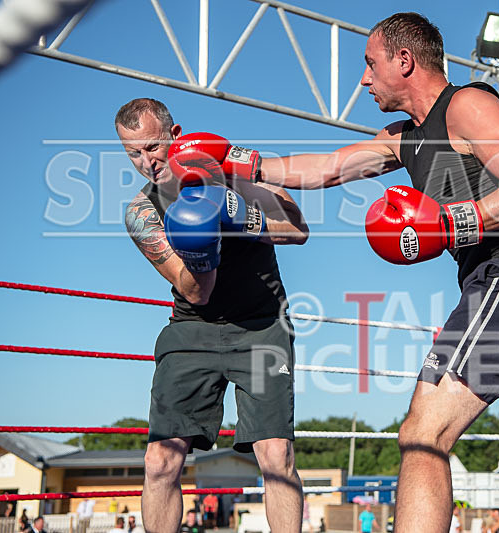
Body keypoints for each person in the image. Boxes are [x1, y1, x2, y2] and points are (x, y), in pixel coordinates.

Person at [244, 12, 499, 533]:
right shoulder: (405, 138)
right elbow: (329, 168)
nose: (363, 79)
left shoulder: (467, 104)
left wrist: (449, 221)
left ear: (405, 61)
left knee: (424, 433)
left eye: (370, 65)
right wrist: (240, 161)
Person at [115, 98, 309, 533]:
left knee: (276, 456)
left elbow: (298, 229)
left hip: (261, 327)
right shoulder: (142, 212)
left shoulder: (229, 171)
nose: (146, 161)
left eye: (152, 147)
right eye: (134, 153)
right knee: (160, 460)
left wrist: (242, 218)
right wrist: (202, 240)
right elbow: (195, 292)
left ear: (174, 133)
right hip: (192, 329)